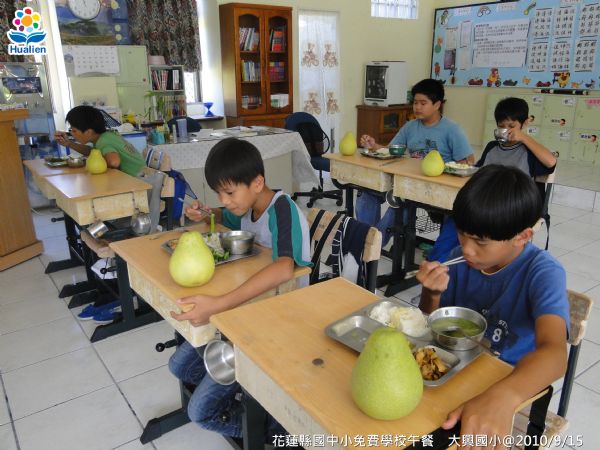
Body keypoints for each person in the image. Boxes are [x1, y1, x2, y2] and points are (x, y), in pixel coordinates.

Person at [168, 137, 311, 440]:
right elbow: (225, 216)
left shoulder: (282, 210)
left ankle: (272, 430)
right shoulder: (248, 207)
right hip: (249, 309)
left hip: (279, 320)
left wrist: (219, 303)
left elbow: (285, 267)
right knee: (178, 366)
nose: (225, 200)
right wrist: (207, 213)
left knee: (199, 412)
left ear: (257, 183)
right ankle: (245, 396)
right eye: (219, 193)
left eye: (230, 192)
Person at [417, 165, 569, 444]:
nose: (466, 249)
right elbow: (432, 324)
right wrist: (431, 292)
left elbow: (555, 354)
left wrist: (504, 396)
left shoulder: (543, 272)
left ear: (522, 236)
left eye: (480, 241)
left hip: (511, 384)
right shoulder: (459, 259)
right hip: (457, 371)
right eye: (462, 233)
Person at [427, 97, 557, 262]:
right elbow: (479, 172)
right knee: (456, 220)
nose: (506, 130)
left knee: (475, 226)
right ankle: (438, 263)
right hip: (485, 203)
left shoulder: (528, 151)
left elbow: (551, 162)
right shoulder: (492, 147)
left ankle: (456, 262)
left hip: (511, 207)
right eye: (501, 126)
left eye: (511, 126)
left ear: (524, 124)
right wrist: (468, 168)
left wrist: (524, 137)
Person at [357, 78, 474, 246]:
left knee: (399, 206)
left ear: (437, 104)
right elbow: (391, 151)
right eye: (415, 102)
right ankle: (363, 239)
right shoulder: (410, 126)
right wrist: (373, 145)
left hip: (434, 188)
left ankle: (370, 247)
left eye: (423, 103)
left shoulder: (452, 129)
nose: (417, 107)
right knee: (367, 194)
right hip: (407, 182)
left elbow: (467, 162)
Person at [55, 105, 145, 177]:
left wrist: (95, 164)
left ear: (88, 132)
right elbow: (92, 152)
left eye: (74, 131)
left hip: (139, 179)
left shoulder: (103, 141)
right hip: (141, 174)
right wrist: (69, 143)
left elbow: (114, 162)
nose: (72, 133)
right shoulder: (105, 136)